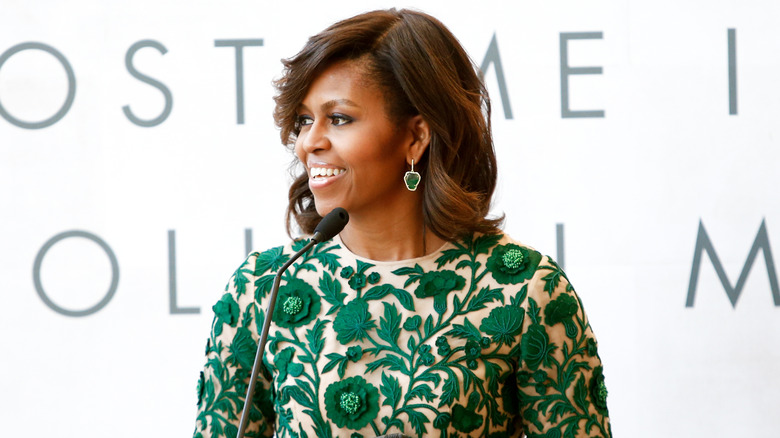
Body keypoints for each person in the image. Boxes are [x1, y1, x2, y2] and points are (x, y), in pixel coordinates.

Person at [193, 8, 611, 438]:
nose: (309, 143)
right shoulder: (264, 286)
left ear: (415, 136)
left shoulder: (525, 290)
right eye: (303, 120)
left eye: (338, 118)